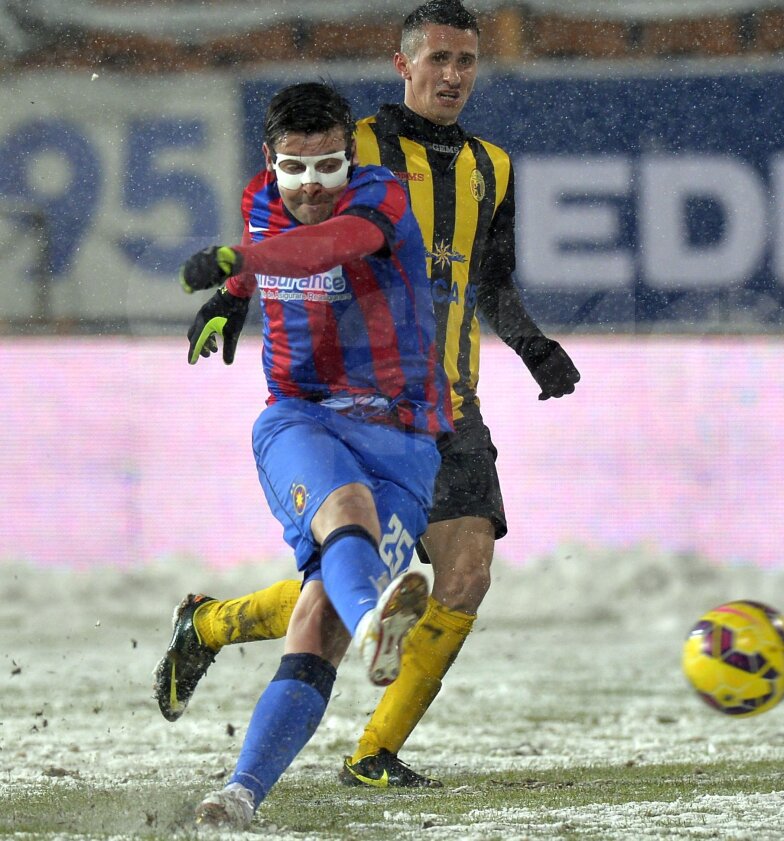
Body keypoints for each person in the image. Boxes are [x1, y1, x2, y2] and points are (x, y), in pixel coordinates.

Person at [153, 0, 580, 791]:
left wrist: (531, 345)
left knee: (464, 572)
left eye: (466, 62)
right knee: (356, 580)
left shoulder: (494, 165)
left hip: (447, 399)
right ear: (404, 65)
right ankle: (215, 624)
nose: (452, 76)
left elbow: (489, 275)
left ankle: (373, 749)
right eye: (438, 60)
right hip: (349, 400)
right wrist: (235, 293)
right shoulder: (359, 151)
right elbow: (300, 229)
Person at [177, 80, 452, 829]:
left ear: (350, 155)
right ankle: (378, 626)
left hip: (405, 436)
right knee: (348, 515)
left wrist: (243, 263)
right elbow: (278, 253)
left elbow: (334, 245)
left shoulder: (382, 198)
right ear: (270, 160)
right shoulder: (260, 201)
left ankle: (238, 794)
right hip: (300, 419)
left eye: (327, 166)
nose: (309, 186)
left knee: (314, 622)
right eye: (293, 170)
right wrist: (236, 291)